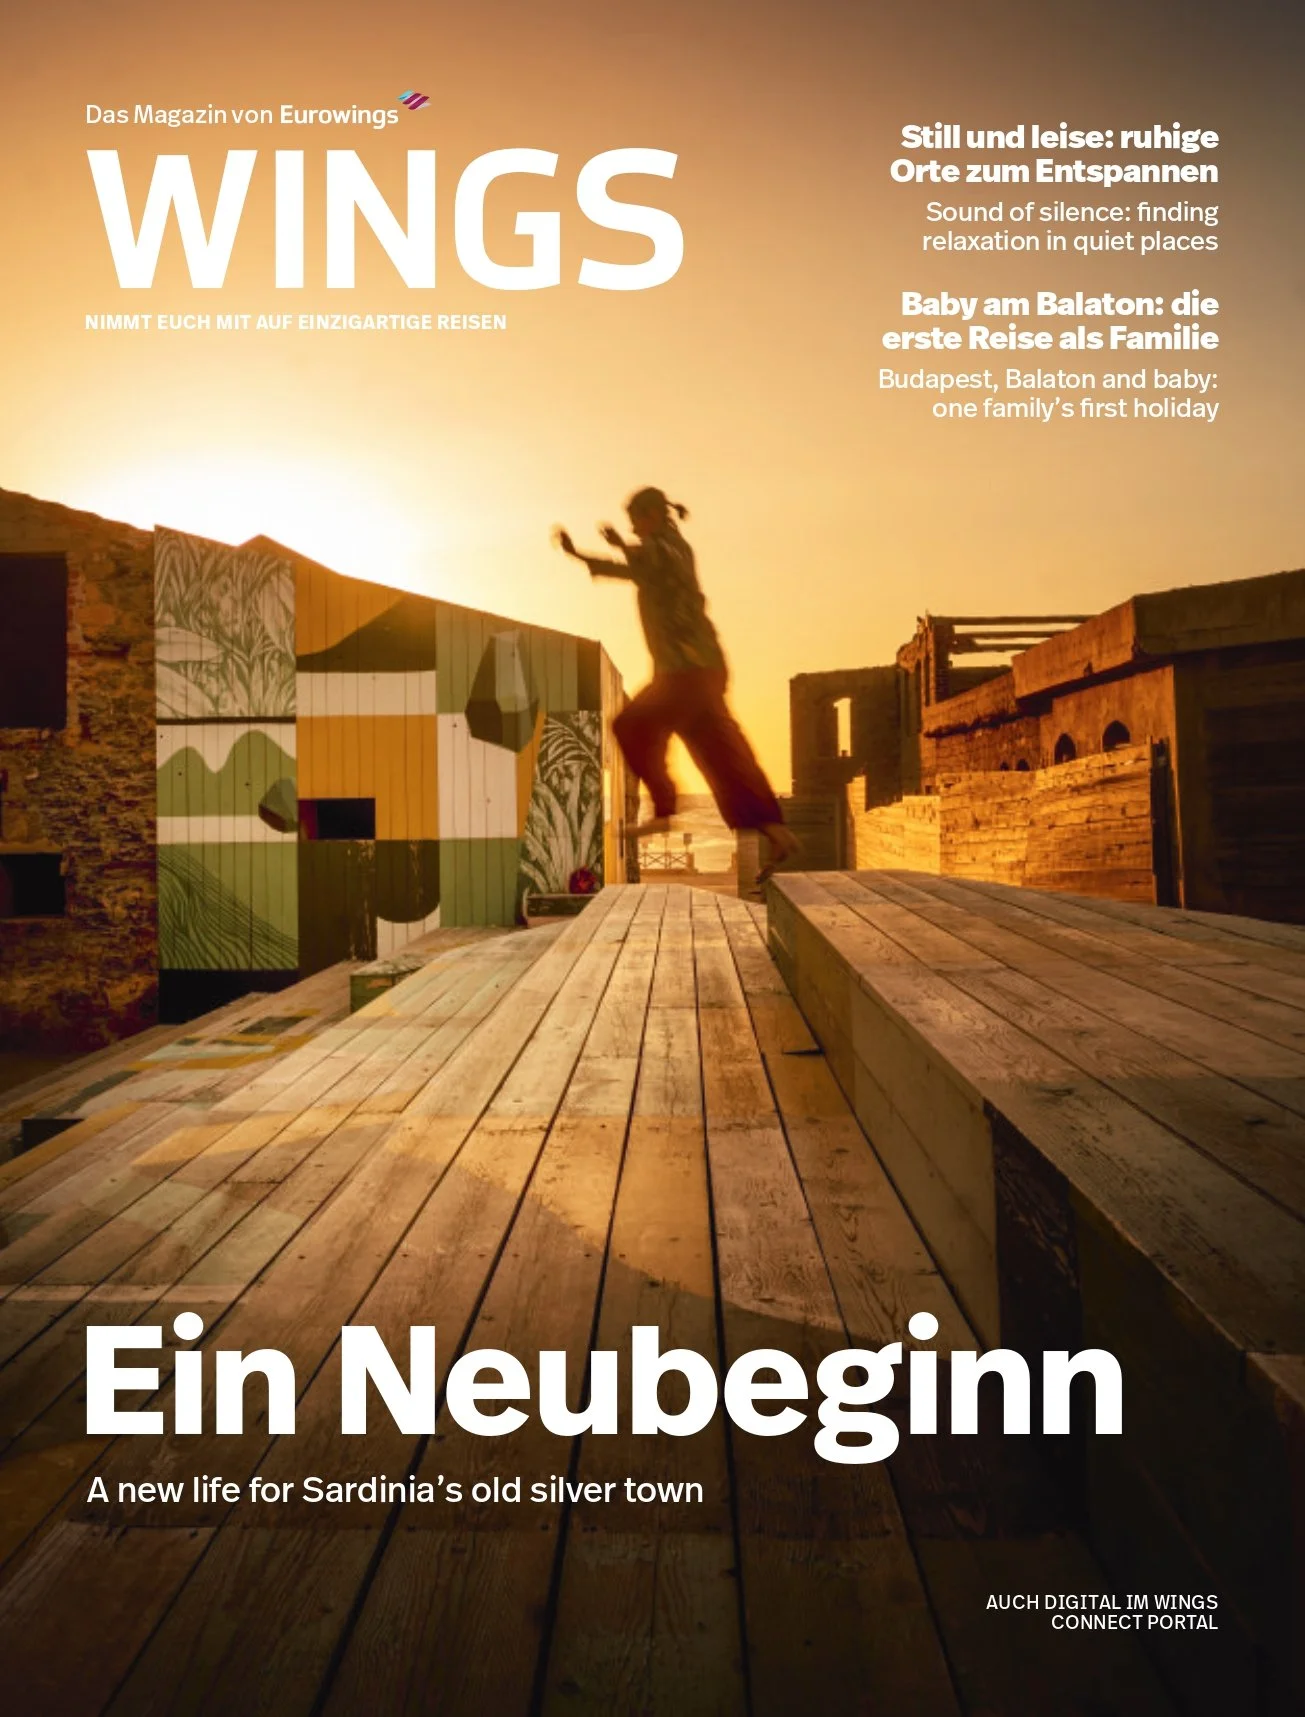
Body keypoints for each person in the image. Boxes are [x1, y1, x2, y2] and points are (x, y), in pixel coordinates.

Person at [555, 487, 801, 880]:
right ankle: (775, 829)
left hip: (686, 670)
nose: (633, 529)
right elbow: (631, 570)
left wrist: (621, 545)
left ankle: (664, 810)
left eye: (636, 521)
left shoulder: (671, 547)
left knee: (631, 725)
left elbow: (656, 558)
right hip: (702, 669)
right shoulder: (659, 554)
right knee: (721, 753)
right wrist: (580, 555)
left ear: (653, 515)